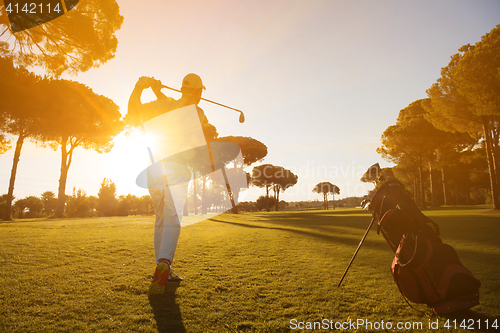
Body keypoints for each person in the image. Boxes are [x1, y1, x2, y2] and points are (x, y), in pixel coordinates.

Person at [127, 73, 216, 296]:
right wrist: (157, 91)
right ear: (197, 92)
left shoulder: (163, 105)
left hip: (153, 167)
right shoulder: (199, 113)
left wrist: (140, 88)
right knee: (173, 217)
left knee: (160, 219)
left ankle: (162, 269)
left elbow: (133, 111)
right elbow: (179, 111)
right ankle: (164, 263)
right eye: (200, 92)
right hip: (176, 167)